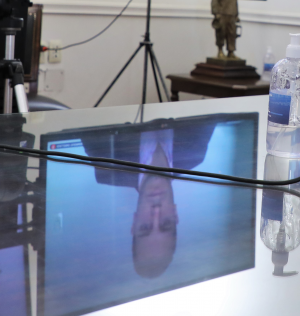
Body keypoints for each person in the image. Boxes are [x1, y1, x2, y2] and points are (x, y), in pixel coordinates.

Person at [80, 119, 215, 278]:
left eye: (145, 227)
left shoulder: (107, 166)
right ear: (175, 214)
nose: (156, 211)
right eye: (166, 224)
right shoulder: (195, 151)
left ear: (135, 221)